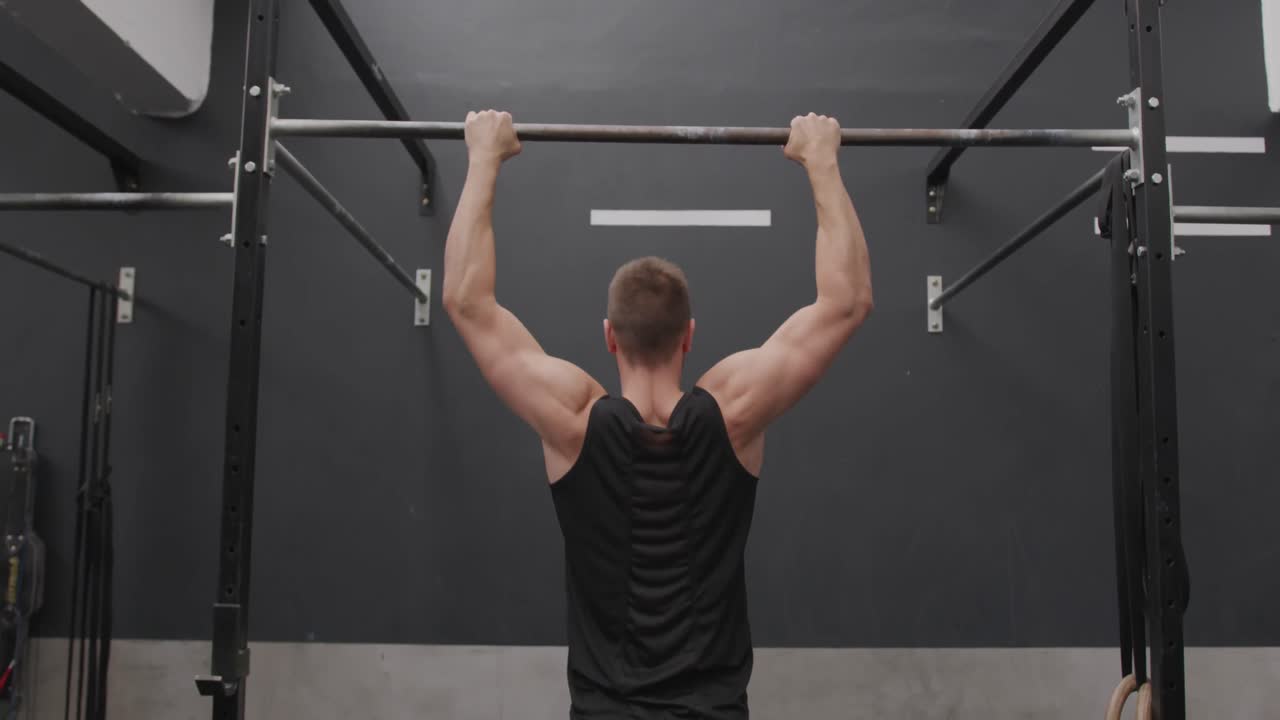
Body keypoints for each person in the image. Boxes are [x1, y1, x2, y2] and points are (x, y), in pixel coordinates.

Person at [442, 110, 873, 719]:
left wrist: (483, 157)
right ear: (689, 335)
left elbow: (466, 301)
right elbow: (847, 302)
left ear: (609, 337)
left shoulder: (570, 419)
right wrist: (822, 159)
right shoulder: (734, 413)